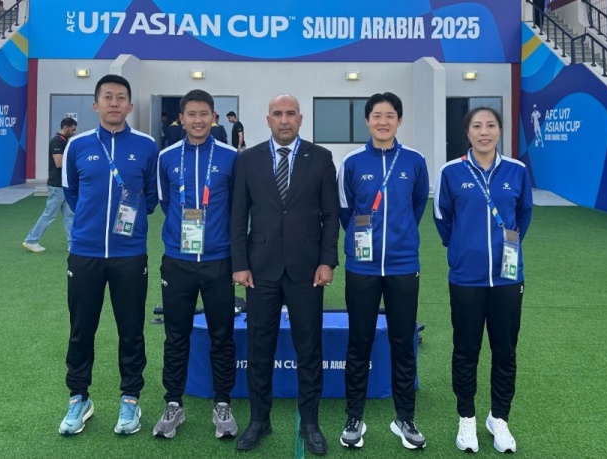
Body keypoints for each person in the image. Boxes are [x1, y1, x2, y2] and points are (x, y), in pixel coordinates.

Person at [231, 94, 339, 455]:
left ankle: (310, 421)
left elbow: (331, 216)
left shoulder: (320, 158)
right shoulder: (248, 160)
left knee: (309, 347)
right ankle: (259, 420)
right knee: (259, 347)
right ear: (268, 120)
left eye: (291, 113)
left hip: (307, 269)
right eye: (277, 114)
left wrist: (327, 261)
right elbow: (238, 216)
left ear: (300, 118)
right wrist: (239, 263)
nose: (284, 119)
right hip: (259, 270)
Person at [58, 74, 159, 436]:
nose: (114, 103)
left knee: (131, 330)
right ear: (96, 104)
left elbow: (151, 197)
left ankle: (130, 398)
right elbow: (71, 193)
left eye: (120, 97)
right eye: (107, 97)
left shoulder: (147, 146)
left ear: (130, 105)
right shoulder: (77, 145)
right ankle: (78, 398)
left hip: (129, 255)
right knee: (81, 329)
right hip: (84, 253)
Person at [433, 107, 532, 454]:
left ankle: (499, 418)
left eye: (491, 125)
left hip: (507, 278)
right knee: (466, 350)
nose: (484, 132)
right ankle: (467, 418)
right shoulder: (451, 171)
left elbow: (524, 214)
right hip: (466, 278)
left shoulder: (517, 171)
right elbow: (442, 216)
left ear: (500, 130)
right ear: (468, 132)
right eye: (477, 126)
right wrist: (462, 248)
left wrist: (509, 247)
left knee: (505, 350)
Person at [337, 92, 429, 450]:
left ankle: (405, 417)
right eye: (377, 116)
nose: (383, 122)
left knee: (402, 342)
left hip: (403, 266)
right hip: (362, 267)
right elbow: (346, 211)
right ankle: (354, 417)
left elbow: (417, 205)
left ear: (399, 121)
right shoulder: (352, 162)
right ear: (367, 121)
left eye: (390, 115)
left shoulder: (415, 161)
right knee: (359, 341)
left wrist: (399, 237)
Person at [153, 89, 239, 440]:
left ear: (214, 117)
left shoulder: (232, 157)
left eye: (205, 114)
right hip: (178, 261)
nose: (198, 120)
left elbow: (237, 208)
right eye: (191, 114)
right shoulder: (166, 157)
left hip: (219, 260)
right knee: (176, 335)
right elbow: (165, 202)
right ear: (181, 119)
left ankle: (223, 403)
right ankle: (174, 403)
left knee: (222, 334)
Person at [22, 117, 77, 253]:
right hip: (57, 185)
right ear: (65, 127)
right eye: (73, 129)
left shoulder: (64, 141)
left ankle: (73, 244)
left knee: (70, 215)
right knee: (49, 215)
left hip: (64, 185)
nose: (74, 132)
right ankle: (31, 240)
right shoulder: (56, 141)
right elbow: (59, 163)